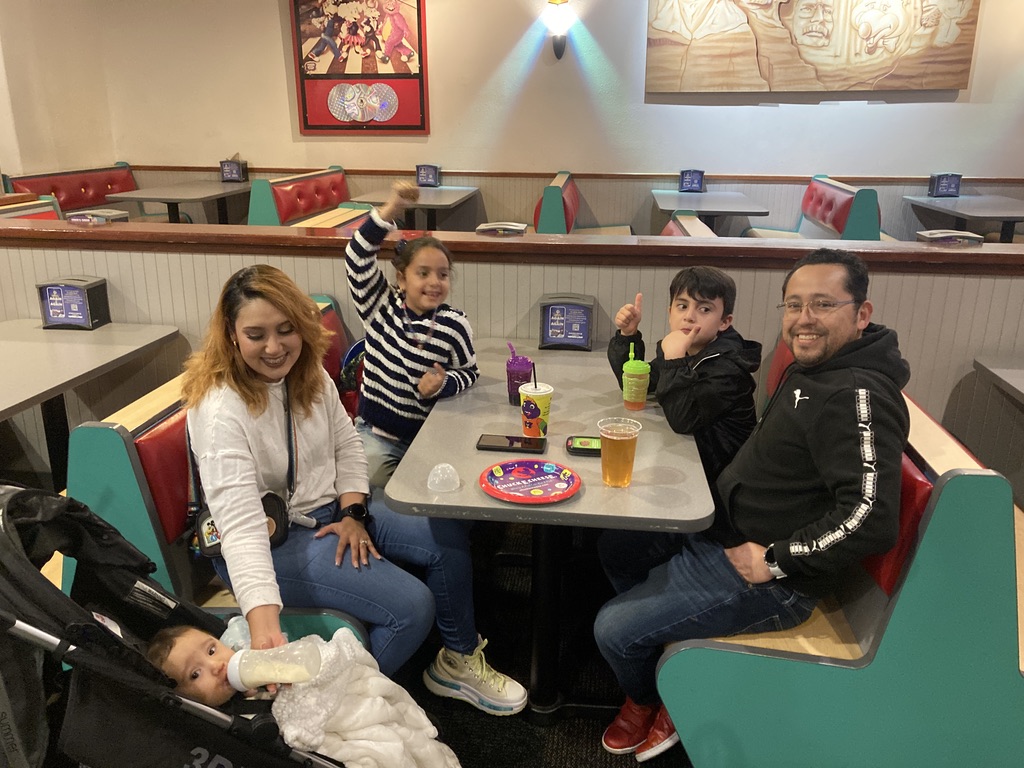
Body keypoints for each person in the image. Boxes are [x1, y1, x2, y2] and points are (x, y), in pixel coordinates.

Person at [594, 249, 911, 762]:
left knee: (612, 630)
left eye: (823, 304)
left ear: (862, 313)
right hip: (721, 530)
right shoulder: (817, 369)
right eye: (794, 305)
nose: (804, 318)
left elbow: (871, 518)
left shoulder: (857, 394)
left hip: (773, 578)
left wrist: (774, 560)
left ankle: (658, 696)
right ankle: (670, 656)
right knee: (617, 546)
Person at [182, 266, 516, 720]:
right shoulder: (221, 410)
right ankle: (332, 711)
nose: (274, 347)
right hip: (269, 540)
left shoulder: (307, 374)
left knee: (444, 536)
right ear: (231, 335)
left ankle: (457, 661)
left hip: (330, 511)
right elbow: (240, 526)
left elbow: (348, 445)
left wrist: (353, 513)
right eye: (256, 335)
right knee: (411, 607)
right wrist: (264, 628)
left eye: (285, 330)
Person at [344, 182, 526, 715]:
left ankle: (453, 595)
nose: (434, 282)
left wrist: (445, 382)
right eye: (423, 273)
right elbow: (356, 255)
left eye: (443, 274)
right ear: (400, 278)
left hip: (427, 443)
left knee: (463, 505)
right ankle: (420, 602)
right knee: (383, 503)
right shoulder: (379, 308)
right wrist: (391, 210)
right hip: (376, 439)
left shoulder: (454, 324)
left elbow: (469, 372)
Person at [147, 624, 462, 768]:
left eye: (212, 650)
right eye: (195, 674)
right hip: (316, 728)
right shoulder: (231, 720)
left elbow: (313, 658)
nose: (216, 665)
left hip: (336, 697)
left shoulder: (249, 654)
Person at [607, 265, 762, 486]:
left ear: (724, 322)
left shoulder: (728, 369)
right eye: (682, 306)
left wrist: (674, 360)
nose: (689, 317)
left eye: (705, 309)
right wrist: (628, 335)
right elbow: (641, 385)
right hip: (692, 462)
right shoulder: (685, 349)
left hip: (719, 481)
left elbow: (682, 420)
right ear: (670, 311)